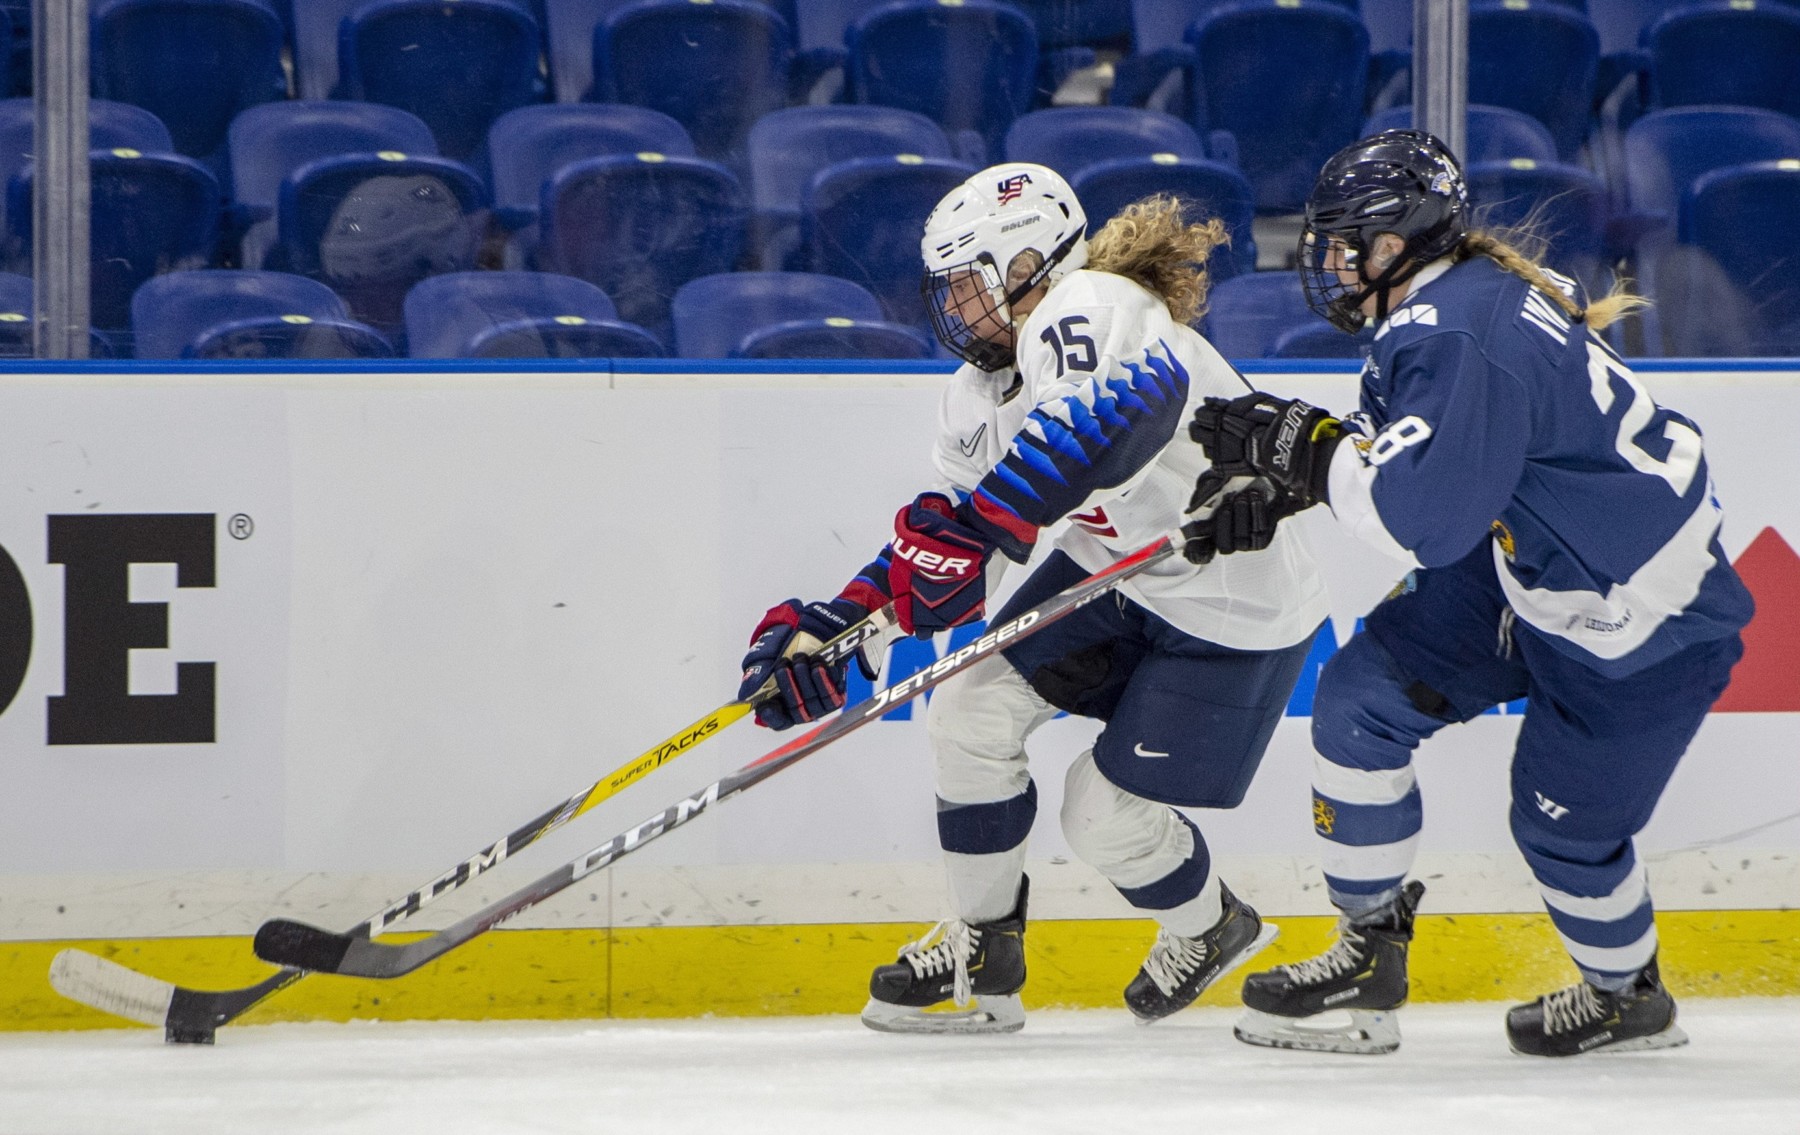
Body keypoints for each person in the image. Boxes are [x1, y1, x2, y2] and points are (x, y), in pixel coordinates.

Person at [1185, 129, 1754, 1057]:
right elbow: (1414, 455)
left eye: (1346, 241)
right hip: (1534, 571)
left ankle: (1628, 995)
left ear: (1401, 240)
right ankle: (1370, 953)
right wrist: (1278, 484)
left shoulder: (1456, 327)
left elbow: (1425, 521)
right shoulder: (1448, 304)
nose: (1328, 261)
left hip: (1645, 625)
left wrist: (1311, 454)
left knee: (1557, 828)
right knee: (1361, 700)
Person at [737, 162, 1331, 1034]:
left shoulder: (1090, 302)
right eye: (947, 291)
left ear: (1029, 268)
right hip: (1118, 569)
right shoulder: (977, 390)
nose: (955, 310)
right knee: (966, 710)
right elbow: (946, 540)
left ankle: (1211, 926)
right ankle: (984, 955)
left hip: (1234, 598)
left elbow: (1105, 419)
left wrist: (977, 534)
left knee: (1101, 811)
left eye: (970, 286)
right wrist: (846, 627)